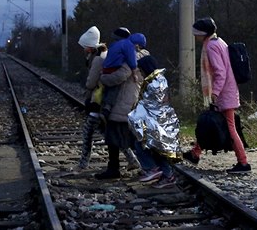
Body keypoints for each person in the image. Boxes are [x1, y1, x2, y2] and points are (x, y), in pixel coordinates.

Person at [182, 17, 252, 174]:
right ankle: (195, 153)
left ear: (203, 34)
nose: (195, 37)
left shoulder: (211, 47)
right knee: (209, 121)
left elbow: (220, 72)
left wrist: (215, 93)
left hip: (223, 93)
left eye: (196, 34)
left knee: (230, 128)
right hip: (227, 91)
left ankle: (243, 163)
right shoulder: (219, 42)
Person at [75, 26, 140, 172]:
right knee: (110, 134)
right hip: (107, 102)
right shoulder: (107, 54)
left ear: (90, 47)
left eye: (84, 47)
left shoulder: (97, 59)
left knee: (88, 133)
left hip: (98, 102)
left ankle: (83, 164)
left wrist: (88, 85)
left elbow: (91, 83)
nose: (83, 50)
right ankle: (132, 159)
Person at [94, 33, 148, 180]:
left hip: (122, 101)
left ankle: (114, 169)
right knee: (131, 138)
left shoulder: (132, 59)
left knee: (114, 138)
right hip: (132, 100)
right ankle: (147, 168)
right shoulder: (144, 57)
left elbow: (120, 76)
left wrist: (103, 78)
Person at [129, 55, 181, 189]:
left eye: (141, 70)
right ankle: (167, 176)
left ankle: (151, 168)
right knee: (159, 150)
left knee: (140, 144)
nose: (140, 73)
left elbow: (147, 104)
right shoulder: (159, 80)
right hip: (163, 122)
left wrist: (134, 114)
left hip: (155, 124)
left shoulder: (153, 83)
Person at [100, 27, 138, 115]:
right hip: (114, 69)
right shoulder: (128, 44)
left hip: (105, 70)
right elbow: (132, 59)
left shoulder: (113, 45)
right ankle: (107, 108)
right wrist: (134, 71)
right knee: (115, 86)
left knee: (107, 88)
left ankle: (102, 106)